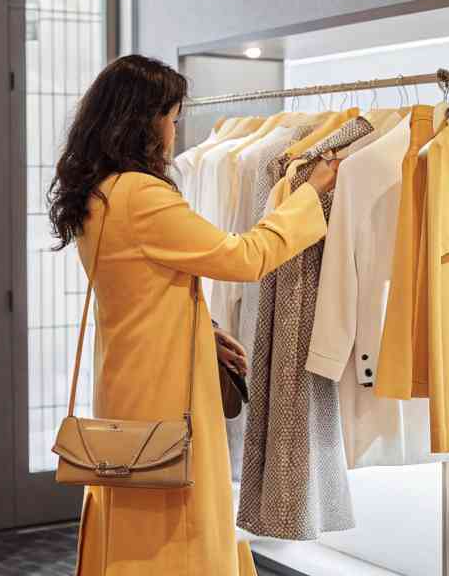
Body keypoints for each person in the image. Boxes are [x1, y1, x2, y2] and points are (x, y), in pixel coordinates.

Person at [47, 55, 339, 575]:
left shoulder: (99, 192)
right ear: (145, 120)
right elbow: (245, 257)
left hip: (128, 380)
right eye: (173, 117)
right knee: (173, 525)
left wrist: (203, 329)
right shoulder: (142, 195)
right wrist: (307, 196)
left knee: (136, 517)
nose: (175, 131)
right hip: (164, 392)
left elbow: (139, 284)